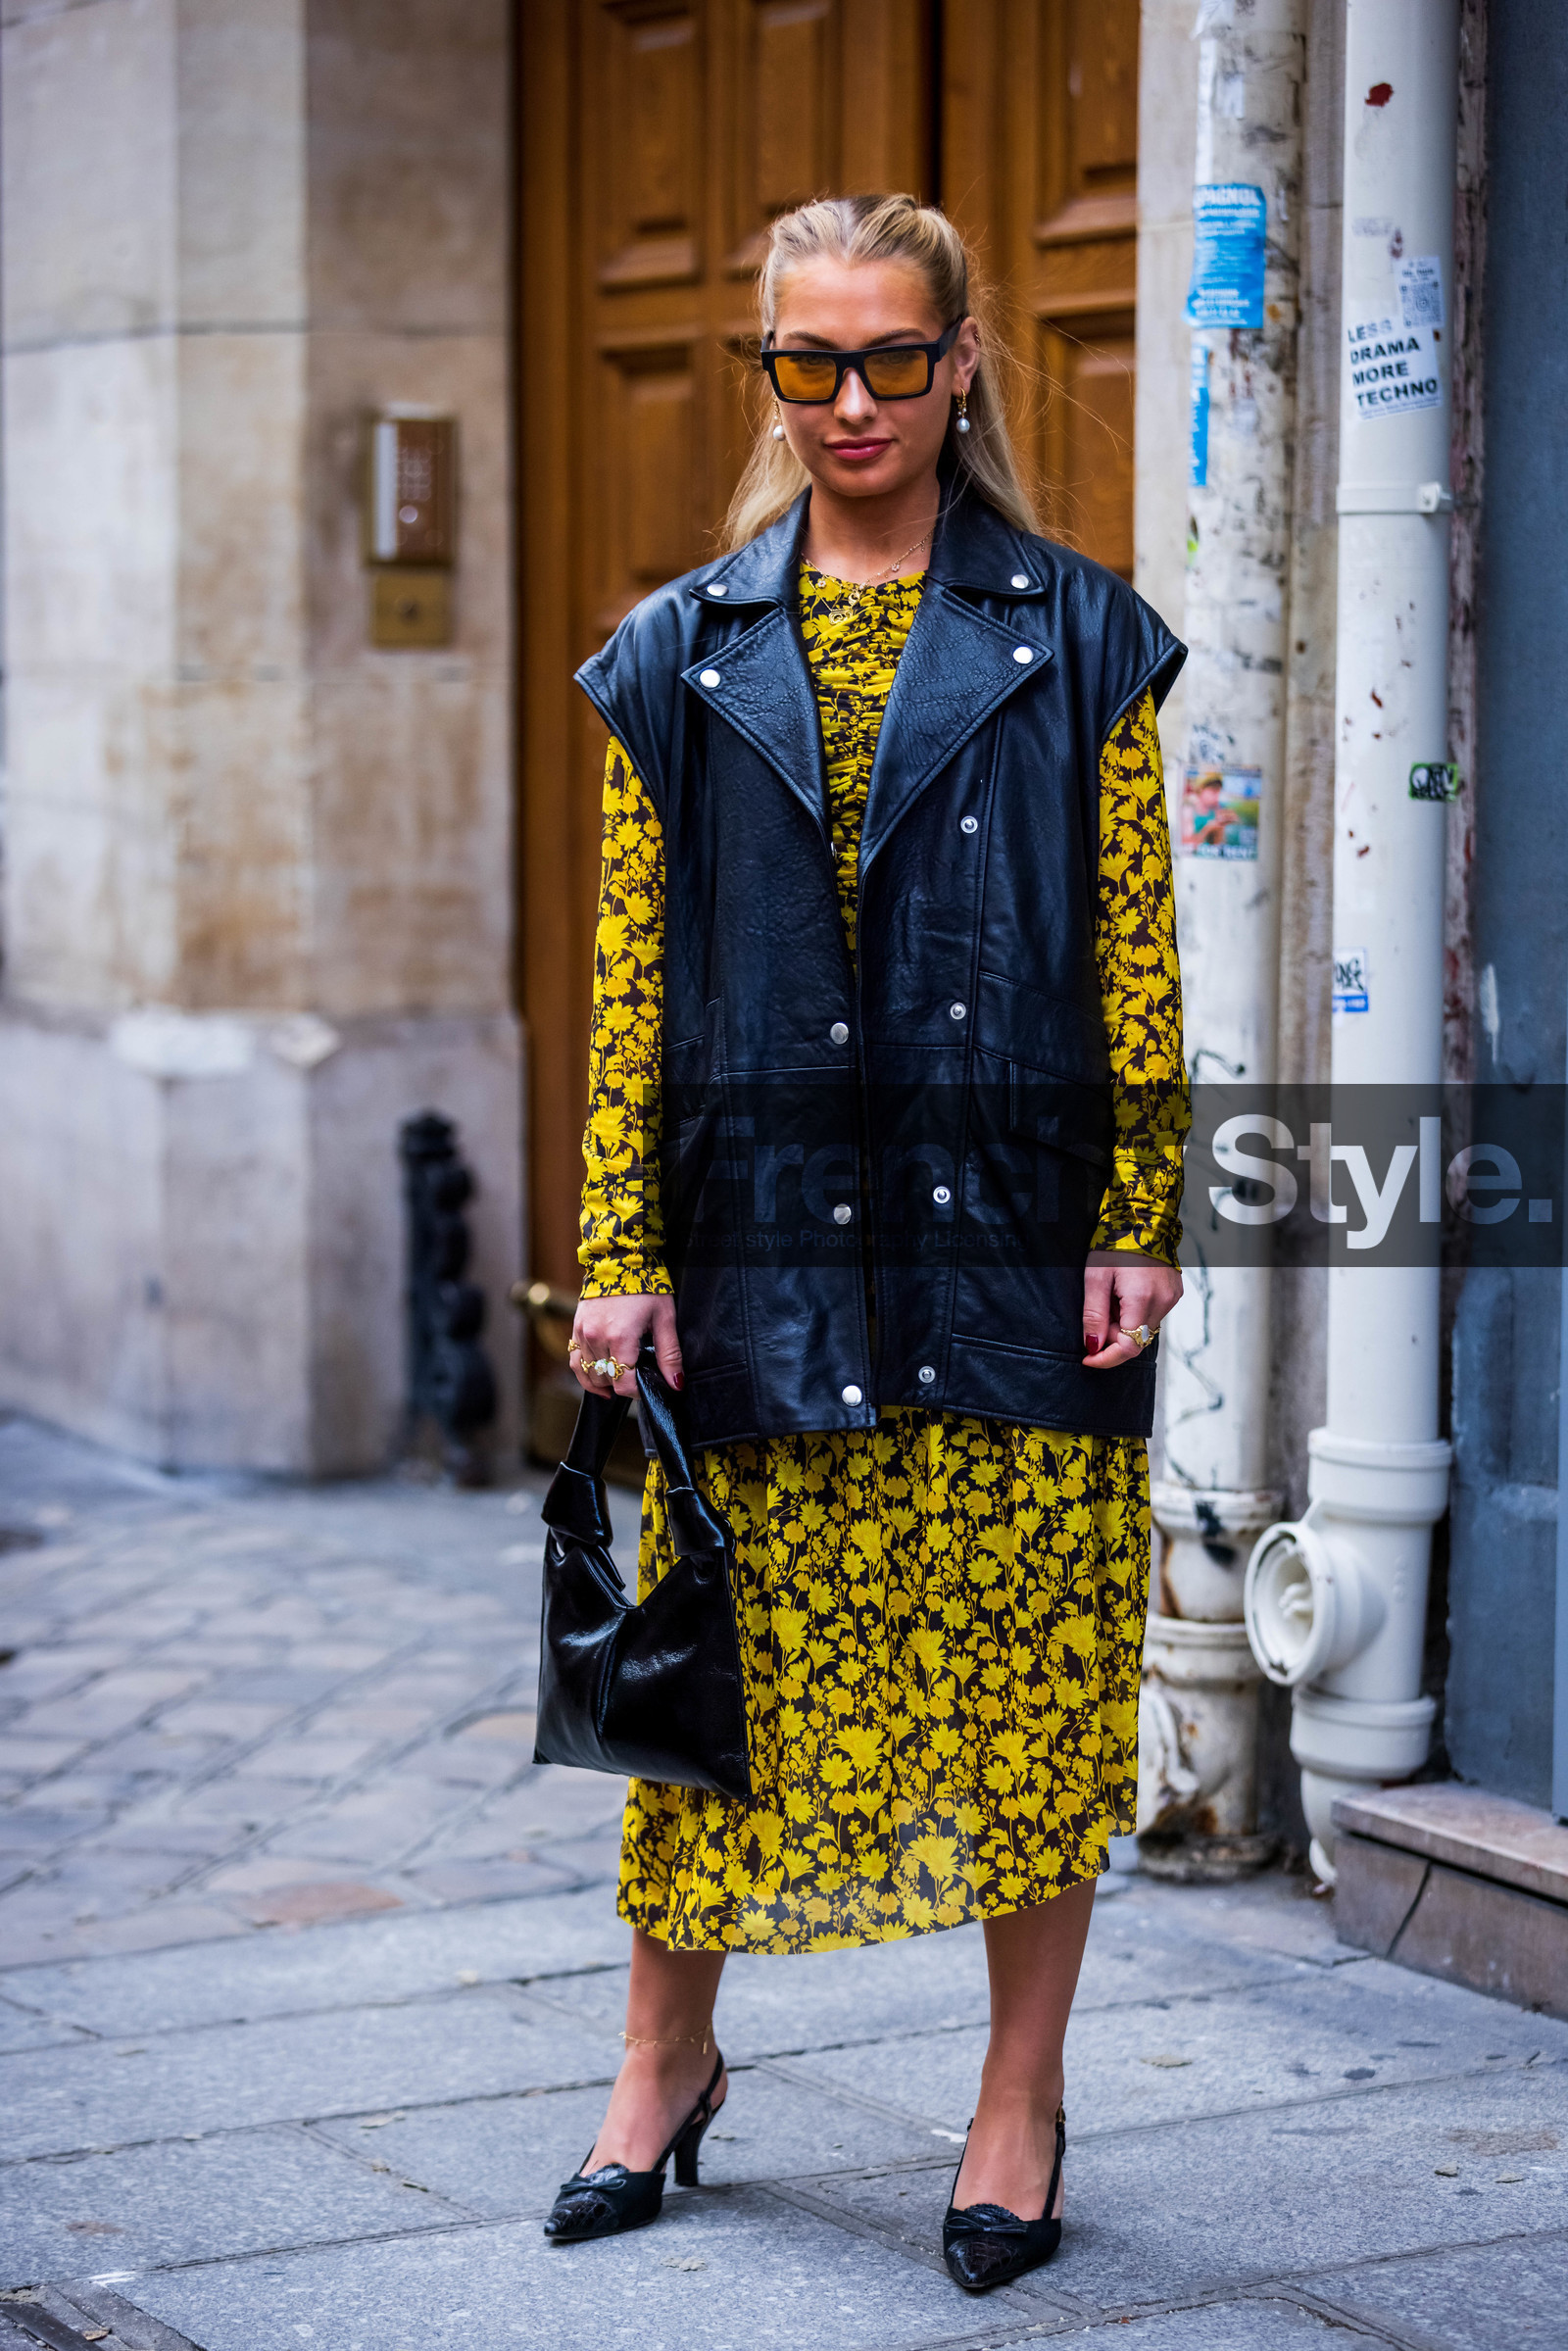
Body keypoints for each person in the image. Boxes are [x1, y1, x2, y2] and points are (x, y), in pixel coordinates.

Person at [549, 193, 1188, 2295]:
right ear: (761, 372)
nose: (847, 403)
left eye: (888, 360)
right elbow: (633, 978)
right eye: (804, 363)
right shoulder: (675, 654)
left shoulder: (1079, 633)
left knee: (1033, 1690)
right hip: (757, 1252)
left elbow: (1133, 950)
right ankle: (661, 2066)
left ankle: (1016, 2103)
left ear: (962, 361)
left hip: (1009, 1242)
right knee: (711, 1671)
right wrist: (614, 1249)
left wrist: (1139, 1210)